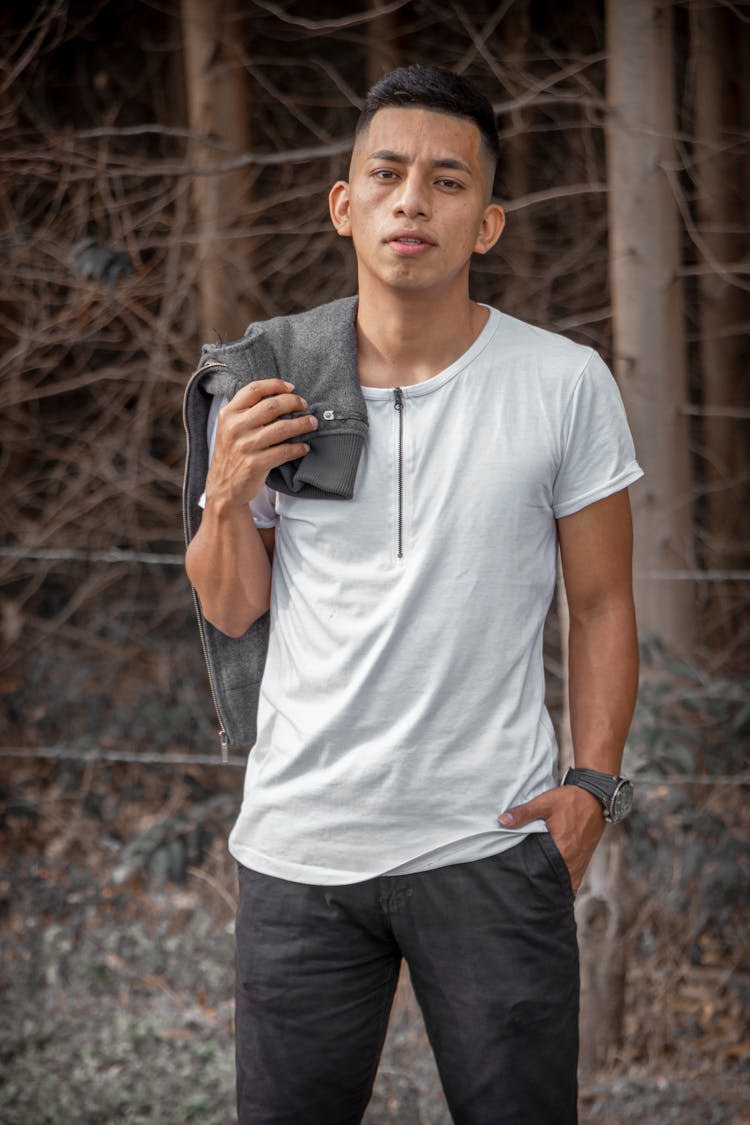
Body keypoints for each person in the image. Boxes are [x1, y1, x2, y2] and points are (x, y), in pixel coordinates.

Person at [183, 64, 642, 1125]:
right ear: (345, 204)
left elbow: (606, 603)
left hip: (489, 844)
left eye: (445, 182)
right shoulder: (268, 384)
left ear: (485, 224)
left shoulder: (562, 381)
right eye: (387, 174)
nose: (411, 200)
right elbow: (234, 608)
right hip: (299, 849)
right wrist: (224, 493)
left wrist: (594, 788)